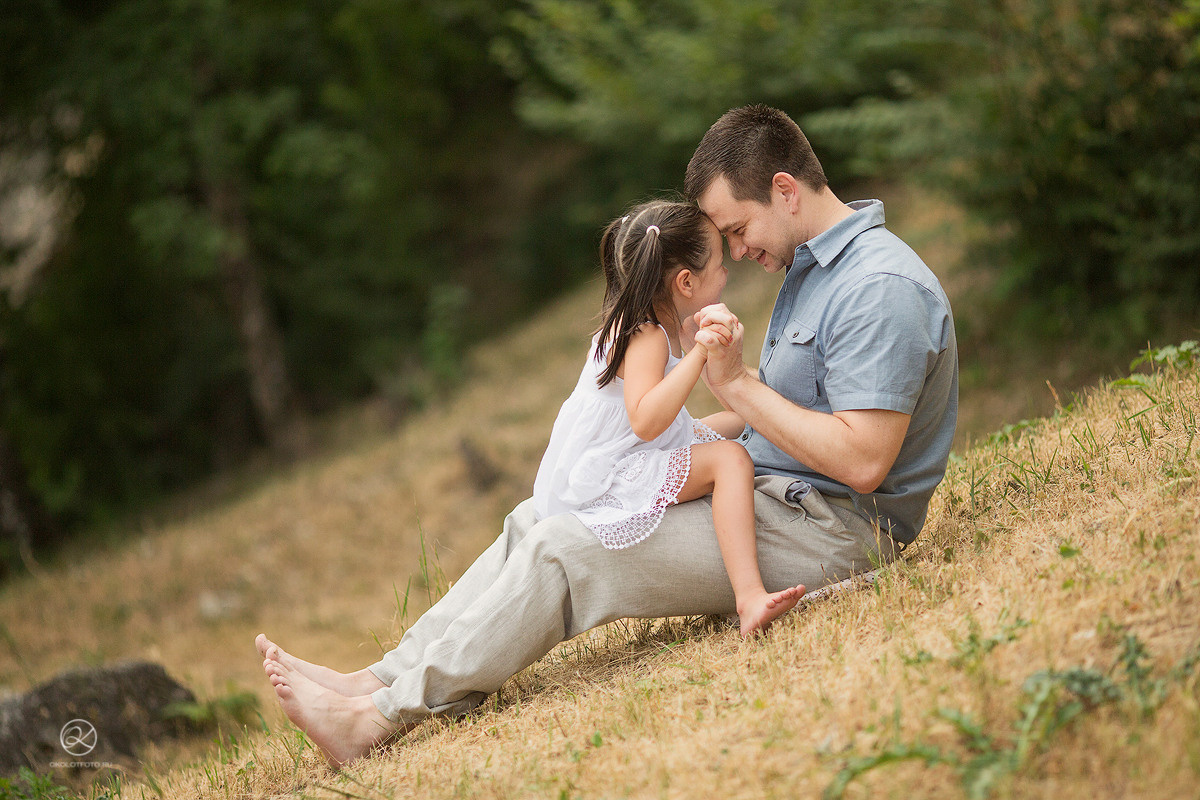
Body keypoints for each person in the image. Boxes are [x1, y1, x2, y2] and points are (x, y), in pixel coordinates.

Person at [257, 104, 958, 768]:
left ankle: (381, 719)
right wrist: (678, 434)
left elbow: (864, 462)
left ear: (785, 190)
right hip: (765, 492)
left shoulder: (878, 287)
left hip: (831, 530)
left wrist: (735, 383)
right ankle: (376, 680)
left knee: (567, 553)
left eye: (738, 229)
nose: (738, 252)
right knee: (538, 519)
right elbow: (774, 414)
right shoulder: (810, 273)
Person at [532, 199, 804, 637]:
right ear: (685, 281)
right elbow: (644, 420)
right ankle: (749, 594)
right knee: (730, 458)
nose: (728, 269)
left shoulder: (666, 322)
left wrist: (721, 361)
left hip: (635, 447)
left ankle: (793, 449)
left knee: (735, 422)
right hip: (617, 465)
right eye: (719, 263)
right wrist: (699, 353)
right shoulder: (647, 335)